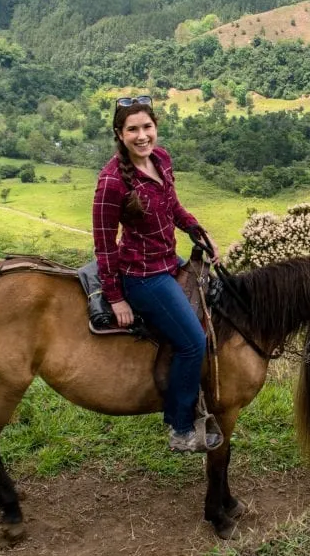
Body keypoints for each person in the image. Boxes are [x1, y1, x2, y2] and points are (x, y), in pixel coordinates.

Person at [93, 95, 223, 454]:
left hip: (169, 259)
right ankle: (181, 427)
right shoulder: (112, 183)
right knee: (192, 341)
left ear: (156, 128)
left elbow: (173, 208)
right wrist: (116, 296)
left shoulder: (161, 159)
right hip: (143, 275)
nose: (141, 136)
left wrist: (198, 231)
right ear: (119, 134)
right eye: (132, 129)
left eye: (146, 127)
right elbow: (104, 245)